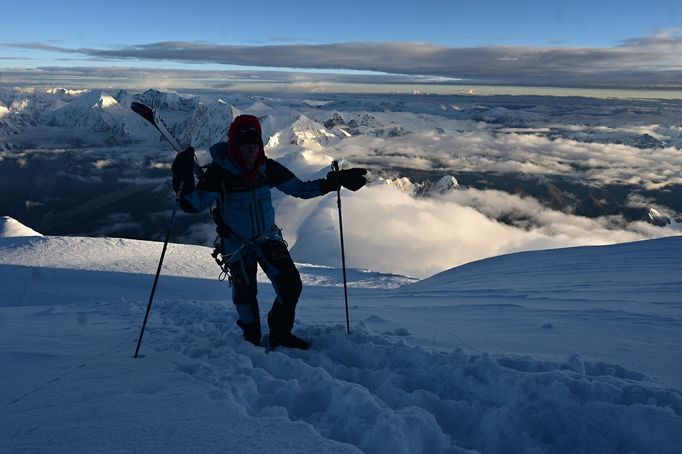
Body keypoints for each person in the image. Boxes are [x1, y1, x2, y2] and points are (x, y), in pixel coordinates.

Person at [171, 114, 367, 350]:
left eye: (255, 145)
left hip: (267, 236)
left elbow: (300, 190)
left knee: (291, 286)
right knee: (245, 295)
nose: (251, 151)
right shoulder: (219, 172)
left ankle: (280, 333)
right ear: (234, 145)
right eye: (245, 146)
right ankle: (251, 337)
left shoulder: (268, 168)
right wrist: (182, 177)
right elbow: (193, 204)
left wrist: (334, 182)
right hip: (236, 243)